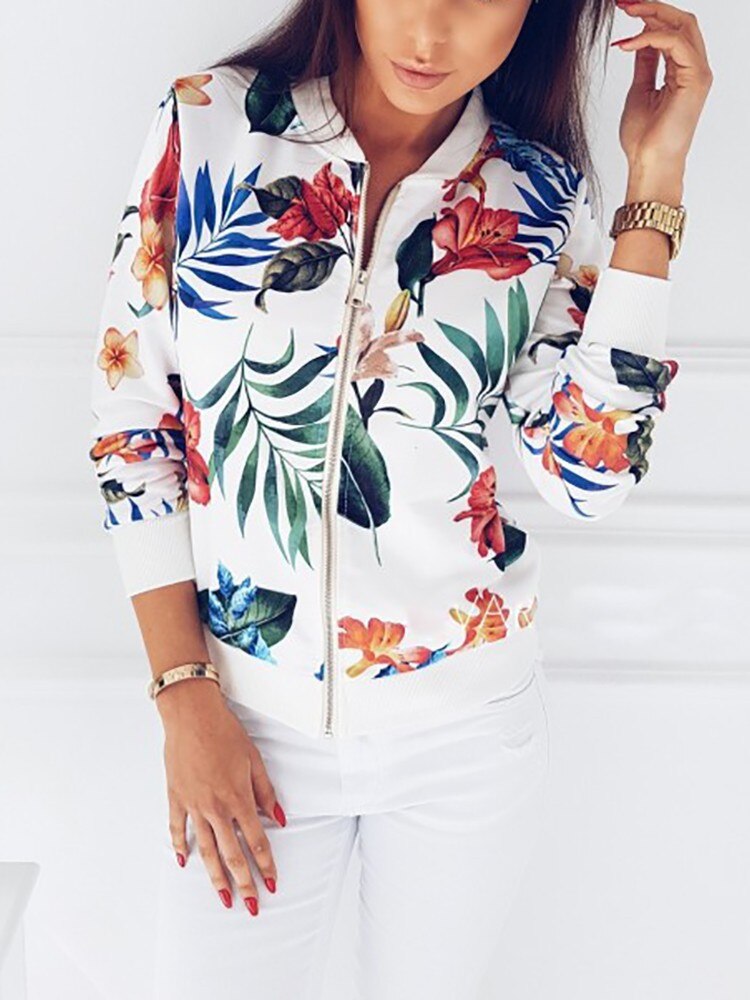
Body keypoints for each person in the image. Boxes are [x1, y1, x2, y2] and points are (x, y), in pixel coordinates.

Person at [86, 0, 711, 996]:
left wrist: (656, 183)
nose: (430, 34)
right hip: (245, 722)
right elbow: (133, 422)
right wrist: (184, 693)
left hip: (464, 737)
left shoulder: (539, 196)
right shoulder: (208, 125)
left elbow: (589, 477)